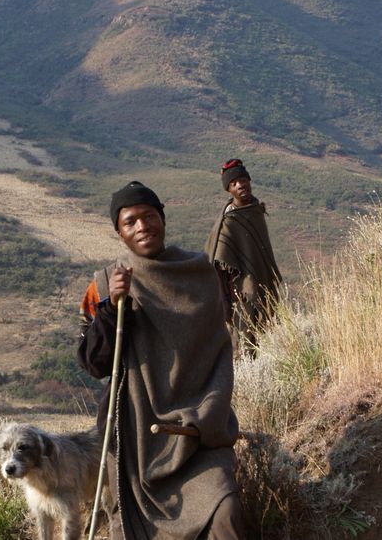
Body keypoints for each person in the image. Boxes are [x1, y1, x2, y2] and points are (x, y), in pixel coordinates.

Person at [78, 181, 248, 540]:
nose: (142, 226)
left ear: (162, 218)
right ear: (119, 232)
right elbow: (94, 364)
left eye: (149, 216)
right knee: (133, 530)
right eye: (130, 221)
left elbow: (219, 352)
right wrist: (111, 309)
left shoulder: (200, 274)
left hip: (196, 431)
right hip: (136, 441)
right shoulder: (105, 285)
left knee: (225, 510)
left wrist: (208, 414)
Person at [205, 159, 281, 343]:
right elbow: (219, 262)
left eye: (243, 180)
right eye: (234, 183)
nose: (240, 185)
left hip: (261, 283)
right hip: (239, 292)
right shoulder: (229, 222)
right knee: (245, 340)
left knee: (266, 336)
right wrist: (226, 299)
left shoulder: (255, 210)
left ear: (249, 181)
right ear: (229, 190)